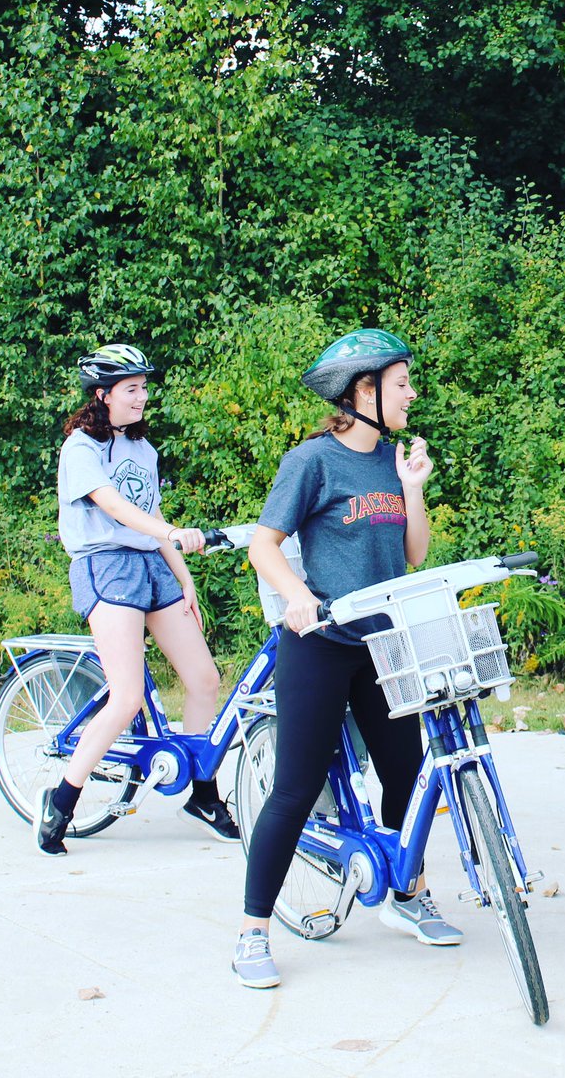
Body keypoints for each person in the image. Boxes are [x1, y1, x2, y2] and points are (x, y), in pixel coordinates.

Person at [232, 328, 461, 990]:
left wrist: (413, 488)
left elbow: (413, 553)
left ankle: (406, 892)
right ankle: (251, 931)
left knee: (409, 777)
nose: (412, 394)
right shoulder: (313, 462)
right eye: (401, 384)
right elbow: (264, 546)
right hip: (320, 645)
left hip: (383, 645)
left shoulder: (392, 459)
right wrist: (298, 596)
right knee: (296, 790)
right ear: (364, 391)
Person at [38, 344, 238, 855]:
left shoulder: (143, 451)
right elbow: (114, 508)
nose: (142, 397)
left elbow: (149, 520)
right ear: (102, 395)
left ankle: (202, 795)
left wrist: (183, 575)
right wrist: (173, 531)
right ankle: (61, 800)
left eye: (144, 388)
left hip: (151, 564)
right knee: (126, 698)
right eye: (131, 390)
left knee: (204, 679)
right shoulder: (81, 448)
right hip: (105, 565)